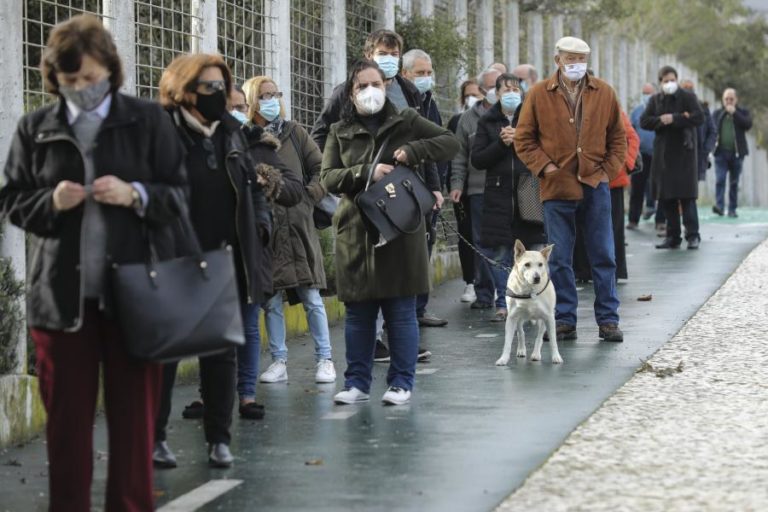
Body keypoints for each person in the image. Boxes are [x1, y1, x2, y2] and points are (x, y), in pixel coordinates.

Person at [0, 15, 186, 511]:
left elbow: (179, 197)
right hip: (62, 302)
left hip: (136, 299)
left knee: (132, 430)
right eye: (70, 81)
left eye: (91, 78)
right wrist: (51, 202)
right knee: (65, 430)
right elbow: (13, 200)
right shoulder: (35, 128)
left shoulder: (147, 120)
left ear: (110, 68)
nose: (83, 89)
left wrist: (136, 194)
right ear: (54, 78)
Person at [153, 54, 303, 469]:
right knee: (165, 355)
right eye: (209, 88)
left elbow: (254, 184)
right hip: (175, 257)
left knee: (221, 354)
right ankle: (156, 438)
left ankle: (219, 439)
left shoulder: (234, 132)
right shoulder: (160, 130)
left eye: (223, 86)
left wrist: (261, 226)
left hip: (227, 257)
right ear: (183, 89)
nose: (218, 95)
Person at [321, 60, 458, 406]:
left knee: (400, 311)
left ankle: (401, 382)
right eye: (361, 86)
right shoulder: (339, 131)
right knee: (358, 313)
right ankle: (356, 382)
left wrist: (414, 150)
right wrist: (368, 171)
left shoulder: (407, 120)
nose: (370, 91)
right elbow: (328, 177)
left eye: (376, 84)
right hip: (356, 231)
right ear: (350, 95)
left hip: (400, 228)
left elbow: (449, 142)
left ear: (386, 86)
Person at [311, 29, 440, 362]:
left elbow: (426, 143)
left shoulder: (411, 93)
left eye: (394, 53)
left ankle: (400, 341)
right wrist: (351, 167)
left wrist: (433, 184)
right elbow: (321, 135)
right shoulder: (346, 92)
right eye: (383, 52)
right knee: (371, 271)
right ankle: (377, 345)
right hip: (365, 194)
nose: (389, 59)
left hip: (406, 191)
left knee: (403, 274)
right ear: (368, 52)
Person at [514, 36, 627, 343]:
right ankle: (564, 318)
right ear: (557, 60)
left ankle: (608, 319)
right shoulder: (538, 94)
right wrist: (546, 167)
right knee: (560, 257)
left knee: (603, 254)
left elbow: (619, 137)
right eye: (570, 58)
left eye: (581, 59)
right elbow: (524, 139)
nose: (576, 64)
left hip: (595, 185)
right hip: (556, 188)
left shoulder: (604, 92)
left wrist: (607, 171)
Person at [239, 75, 336, 385]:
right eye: (264, 95)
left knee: (311, 293)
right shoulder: (246, 139)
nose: (271, 100)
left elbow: (323, 168)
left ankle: (325, 358)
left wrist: (308, 197)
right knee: (271, 299)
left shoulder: (295, 133)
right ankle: (279, 360)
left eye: (275, 94)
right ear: (251, 101)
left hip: (298, 224)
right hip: (265, 227)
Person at [471, 73, 547, 321]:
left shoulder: (533, 117)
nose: (512, 93)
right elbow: (478, 159)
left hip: (528, 189)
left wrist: (520, 141)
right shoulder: (487, 121)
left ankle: (532, 301)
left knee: (533, 250)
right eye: (506, 89)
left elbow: (543, 151)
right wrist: (501, 144)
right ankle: (504, 302)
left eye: (517, 88)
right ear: (497, 93)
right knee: (501, 252)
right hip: (498, 194)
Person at [401, 48, 448, 327]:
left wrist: (436, 186)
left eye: (429, 73)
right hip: (405, 187)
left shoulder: (430, 102)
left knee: (425, 247)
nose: (426, 78)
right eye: (420, 73)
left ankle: (419, 308)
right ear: (405, 74)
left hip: (428, 190)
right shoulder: (402, 102)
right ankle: (408, 312)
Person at [449, 67, 502, 310]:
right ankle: (484, 294)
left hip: (507, 189)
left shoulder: (515, 114)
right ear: (481, 90)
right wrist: (457, 185)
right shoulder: (467, 120)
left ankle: (507, 294)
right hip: (479, 190)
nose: (495, 91)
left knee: (506, 242)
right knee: (481, 242)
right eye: (490, 86)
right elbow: (459, 156)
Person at [641, 66, 704, 250]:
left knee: (687, 198)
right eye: (666, 81)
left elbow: (698, 117)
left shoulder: (688, 97)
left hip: (684, 155)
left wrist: (676, 118)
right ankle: (673, 236)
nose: (669, 84)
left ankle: (693, 235)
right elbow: (645, 121)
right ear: (660, 83)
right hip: (664, 156)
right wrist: (661, 120)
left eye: (672, 80)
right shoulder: (656, 100)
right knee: (667, 198)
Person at [447, 79, 483, 304]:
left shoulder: (489, 121)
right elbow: (454, 155)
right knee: (466, 234)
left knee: (487, 237)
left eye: (476, 94)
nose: (472, 98)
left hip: (484, 188)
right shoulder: (456, 121)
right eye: (468, 94)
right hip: (463, 190)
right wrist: (454, 184)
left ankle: (488, 282)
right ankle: (470, 281)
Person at [628, 83, 665, 230]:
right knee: (637, 188)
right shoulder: (637, 112)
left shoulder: (662, 110)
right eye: (644, 93)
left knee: (661, 189)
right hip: (641, 155)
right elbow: (630, 131)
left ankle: (661, 220)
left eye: (649, 93)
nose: (647, 96)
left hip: (659, 154)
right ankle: (633, 220)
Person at [712, 88, 753, 217]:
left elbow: (747, 124)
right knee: (720, 179)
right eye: (726, 99)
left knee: (734, 182)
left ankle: (732, 209)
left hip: (737, 153)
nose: (729, 101)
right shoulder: (718, 113)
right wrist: (725, 113)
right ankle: (719, 206)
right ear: (723, 100)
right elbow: (713, 127)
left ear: (736, 100)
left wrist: (734, 113)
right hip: (721, 153)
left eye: (731, 99)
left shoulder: (742, 112)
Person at [681, 80, 717, 183]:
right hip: (679, 157)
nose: (688, 91)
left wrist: (706, 149)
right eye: (685, 88)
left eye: (690, 88)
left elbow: (713, 131)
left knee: (691, 194)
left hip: (697, 156)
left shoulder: (703, 108)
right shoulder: (675, 108)